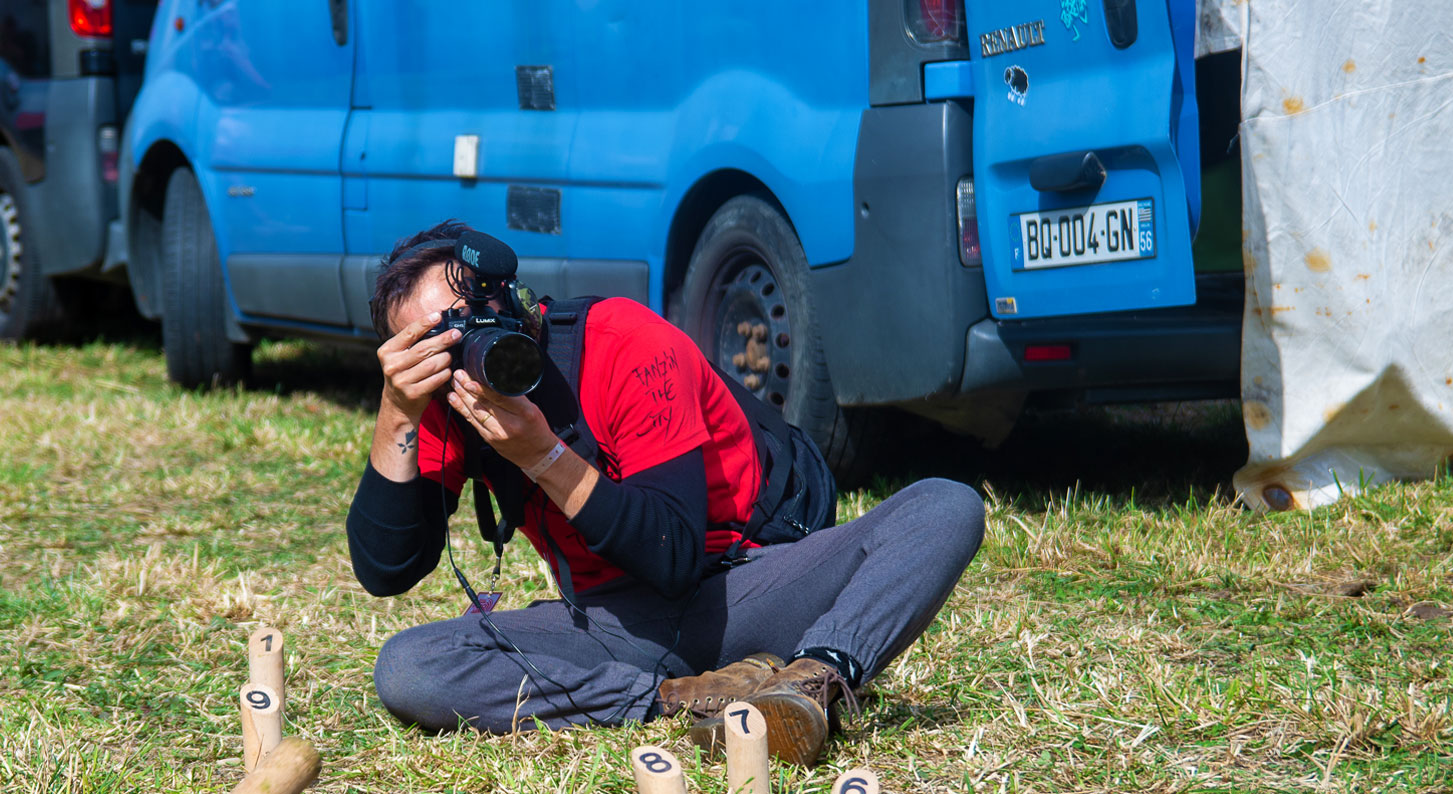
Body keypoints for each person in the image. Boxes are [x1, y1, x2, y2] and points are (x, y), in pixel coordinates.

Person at [346, 221, 984, 766]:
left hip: (741, 589)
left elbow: (674, 557)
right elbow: (387, 570)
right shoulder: (444, 400)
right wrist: (398, 412)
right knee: (409, 666)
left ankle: (812, 680)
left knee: (944, 505)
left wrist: (541, 457)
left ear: (514, 297)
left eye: (469, 322)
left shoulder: (624, 341)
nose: (463, 349)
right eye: (433, 344)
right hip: (616, 624)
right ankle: (687, 698)